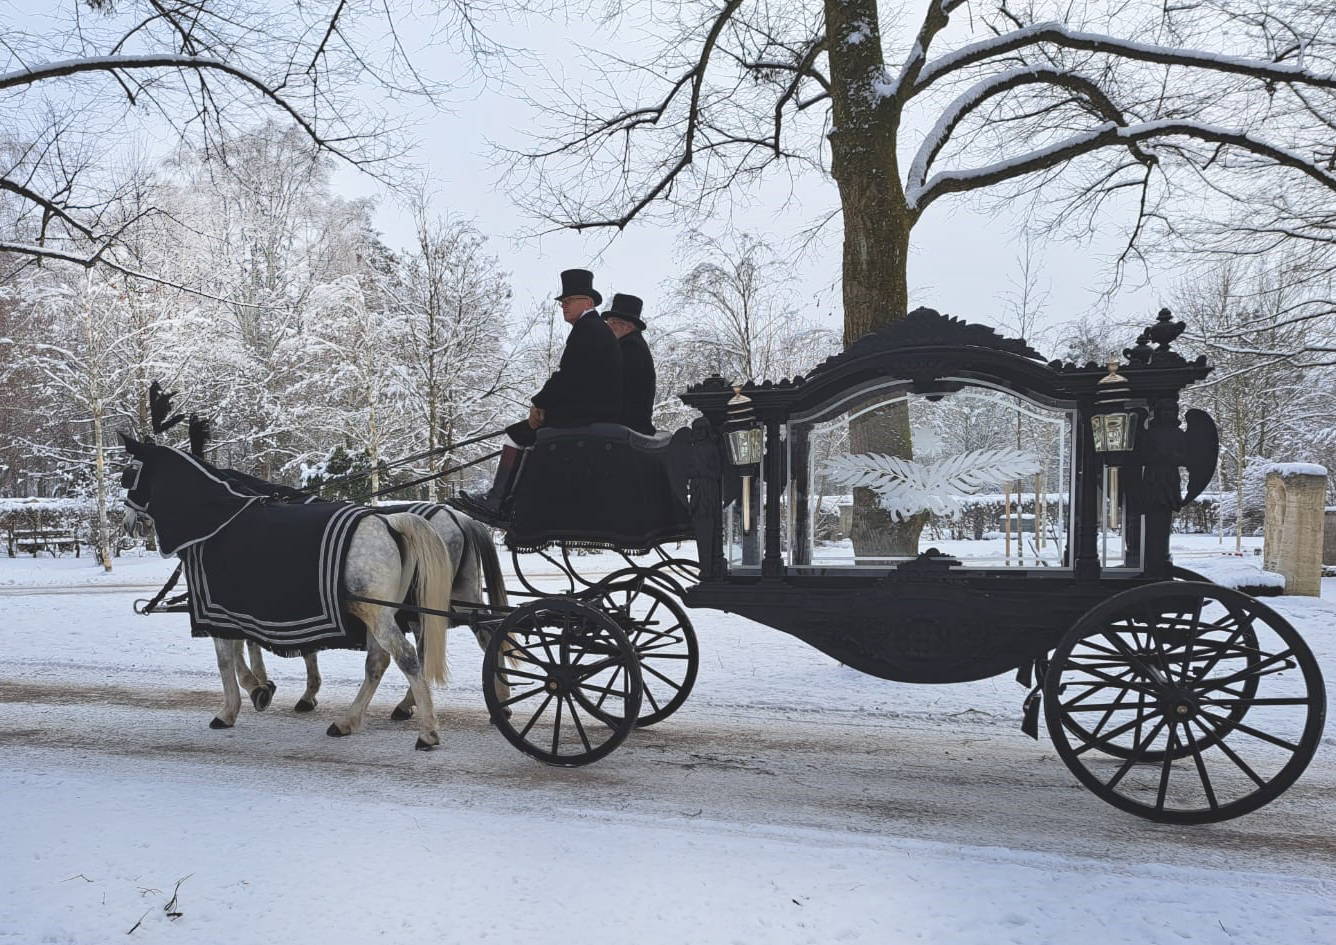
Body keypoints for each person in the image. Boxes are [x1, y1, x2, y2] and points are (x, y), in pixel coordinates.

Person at [454, 268, 623, 519]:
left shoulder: (588, 329)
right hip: (593, 410)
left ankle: (498, 501)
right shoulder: (595, 329)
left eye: (569, 301)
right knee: (528, 436)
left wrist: (539, 404)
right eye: (562, 302)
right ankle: (511, 498)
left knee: (515, 435)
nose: (563, 306)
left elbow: (568, 376)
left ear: (587, 302)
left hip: (586, 414)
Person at [603, 293, 656, 435]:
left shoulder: (630, 347)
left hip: (627, 426)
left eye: (613, 323)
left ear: (628, 327)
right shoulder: (631, 345)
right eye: (608, 323)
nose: (608, 327)